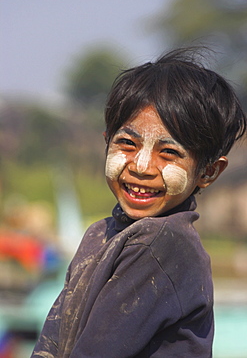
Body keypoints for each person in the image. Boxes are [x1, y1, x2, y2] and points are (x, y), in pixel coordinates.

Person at [31, 47, 246, 358]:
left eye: (169, 153)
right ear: (107, 141)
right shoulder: (99, 235)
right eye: (127, 144)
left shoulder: (163, 246)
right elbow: (52, 342)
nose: (142, 166)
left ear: (208, 171)